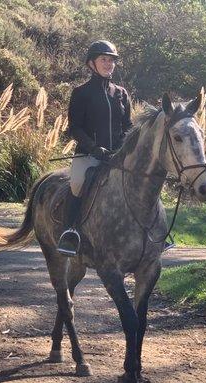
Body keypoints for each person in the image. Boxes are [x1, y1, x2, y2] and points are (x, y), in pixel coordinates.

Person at [57, 40, 133, 256]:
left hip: (117, 156)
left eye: (111, 61)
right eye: (104, 60)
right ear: (91, 63)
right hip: (89, 155)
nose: (109, 64)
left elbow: (128, 126)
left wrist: (123, 147)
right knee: (78, 183)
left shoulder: (121, 93)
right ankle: (70, 232)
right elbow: (75, 128)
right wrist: (94, 148)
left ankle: (152, 232)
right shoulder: (81, 93)